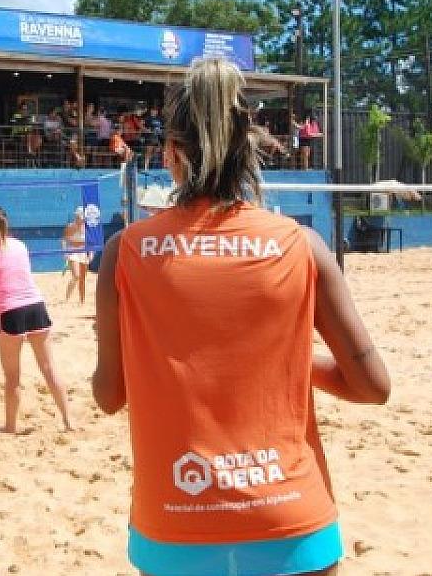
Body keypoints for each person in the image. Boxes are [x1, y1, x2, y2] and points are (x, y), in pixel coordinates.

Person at [92, 57, 390, 576]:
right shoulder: (301, 245)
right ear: (246, 147)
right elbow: (373, 387)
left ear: (172, 153)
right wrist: (291, 363)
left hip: (177, 516)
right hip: (290, 517)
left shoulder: (127, 251)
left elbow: (109, 396)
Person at [0, 205, 75, 434]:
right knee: (49, 369)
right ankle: (69, 421)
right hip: (36, 307)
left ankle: (10, 427)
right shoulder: (20, 245)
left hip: (11, 314)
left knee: (12, 377)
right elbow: (13, 283)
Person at [61, 206, 91, 305]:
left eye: (81, 217)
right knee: (76, 276)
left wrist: (90, 254)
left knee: (82, 278)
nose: (80, 219)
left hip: (83, 252)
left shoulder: (87, 228)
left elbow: (91, 242)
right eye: (78, 217)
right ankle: (67, 299)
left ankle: (82, 301)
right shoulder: (71, 227)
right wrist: (65, 252)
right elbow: (64, 240)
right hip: (73, 252)